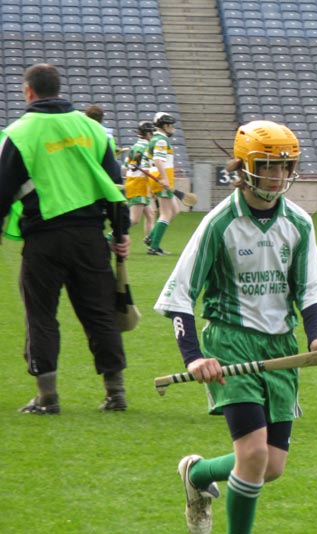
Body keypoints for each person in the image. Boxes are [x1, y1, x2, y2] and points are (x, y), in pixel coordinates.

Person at [154, 120, 317, 534]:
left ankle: (197, 474)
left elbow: (311, 288)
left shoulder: (298, 222)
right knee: (253, 455)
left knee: (271, 465)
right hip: (230, 344)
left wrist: (316, 338)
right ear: (243, 168)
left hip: (281, 350)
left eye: (285, 167)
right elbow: (179, 295)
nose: (278, 177)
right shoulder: (219, 223)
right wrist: (193, 358)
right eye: (268, 166)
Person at [0, 63, 131, 414]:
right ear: (59, 89)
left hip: (44, 239)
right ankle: (115, 392)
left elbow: (2, 192)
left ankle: (47, 397)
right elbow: (115, 186)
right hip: (91, 237)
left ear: (29, 91)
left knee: (41, 314)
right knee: (100, 313)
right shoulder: (92, 128)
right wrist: (122, 233)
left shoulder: (19, 133)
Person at [145, 111, 180, 256]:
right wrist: (165, 178)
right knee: (166, 214)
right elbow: (158, 161)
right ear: (165, 125)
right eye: (171, 126)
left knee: (175, 210)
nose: (173, 129)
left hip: (161, 177)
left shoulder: (158, 139)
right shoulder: (161, 140)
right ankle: (154, 246)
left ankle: (151, 237)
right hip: (162, 179)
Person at [122, 121, 157, 245]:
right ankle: (113, 235)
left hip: (133, 182)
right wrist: (153, 189)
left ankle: (151, 242)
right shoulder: (147, 148)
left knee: (150, 214)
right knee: (134, 219)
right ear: (148, 134)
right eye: (152, 133)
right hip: (139, 185)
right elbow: (147, 171)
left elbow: (125, 167)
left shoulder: (135, 146)